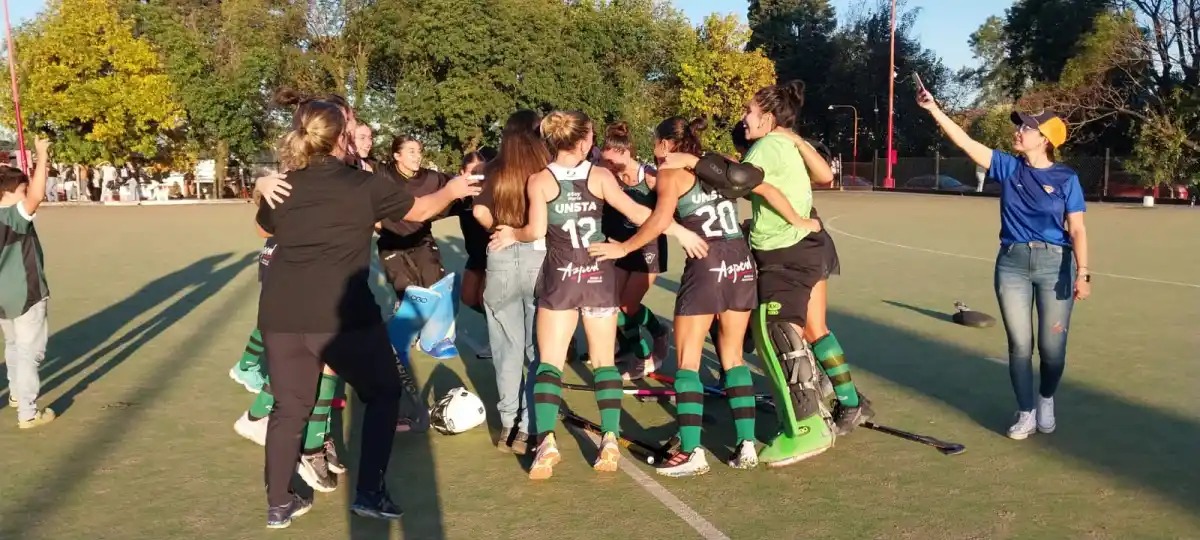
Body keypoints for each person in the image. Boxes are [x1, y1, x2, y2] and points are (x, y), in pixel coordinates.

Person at [490, 110, 707, 480]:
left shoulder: (539, 181)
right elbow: (640, 213)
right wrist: (679, 232)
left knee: (549, 364)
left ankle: (546, 441)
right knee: (605, 364)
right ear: (585, 141)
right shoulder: (601, 176)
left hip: (561, 277)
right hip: (597, 274)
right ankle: (608, 438)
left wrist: (512, 233)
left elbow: (535, 231)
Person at [602, 117, 815, 476]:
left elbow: (657, 220)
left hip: (707, 261)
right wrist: (799, 219)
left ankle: (691, 451)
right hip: (740, 261)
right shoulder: (719, 165)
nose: (655, 150)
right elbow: (763, 187)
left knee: (687, 361)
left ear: (667, 144)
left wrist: (624, 248)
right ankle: (746, 444)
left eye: (656, 142)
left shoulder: (671, 172)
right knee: (732, 358)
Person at [917, 90, 1090, 440]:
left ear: (1045, 140)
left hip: (1056, 265)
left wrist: (1083, 273)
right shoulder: (1008, 167)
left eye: (1026, 129)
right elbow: (965, 142)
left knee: (1053, 351)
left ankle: (1045, 399)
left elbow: (1078, 228)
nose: (1019, 132)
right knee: (1020, 345)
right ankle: (1026, 411)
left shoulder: (1066, 179)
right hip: (1011, 265)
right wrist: (934, 109)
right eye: (1021, 127)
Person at [737, 80, 872, 467]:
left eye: (749, 111)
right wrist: (794, 138)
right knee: (817, 329)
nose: (744, 118)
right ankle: (850, 402)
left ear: (767, 117)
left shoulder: (765, 146)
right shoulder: (785, 143)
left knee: (781, 332)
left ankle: (805, 418)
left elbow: (743, 180)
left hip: (787, 248)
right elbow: (826, 176)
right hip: (813, 242)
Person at [472, 110, 551, 454]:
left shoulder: (493, 169)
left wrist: (499, 231)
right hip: (539, 256)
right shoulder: (546, 168)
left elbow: (478, 211)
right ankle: (530, 425)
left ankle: (508, 424)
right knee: (538, 347)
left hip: (500, 255)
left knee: (506, 347)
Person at [596, 122, 670, 380]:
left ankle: (658, 333)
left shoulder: (649, 177)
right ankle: (634, 351)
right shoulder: (608, 173)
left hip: (648, 247)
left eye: (614, 162)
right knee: (612, 306)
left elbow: (665, 214)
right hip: (620, 247)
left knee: (628, 306)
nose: (610, 167)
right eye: (606, 161)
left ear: (627, 153)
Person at [0, 138, 55, 429]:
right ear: (8, 193)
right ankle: (28, 413)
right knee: (28, 354)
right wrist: (42, 155)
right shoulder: (14, 216)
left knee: (12, 345)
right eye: (21, 190)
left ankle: (16, 396)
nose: (26, 195)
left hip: (3, 298)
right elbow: (37, 195)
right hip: (25, 294)